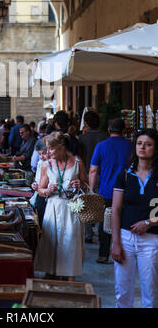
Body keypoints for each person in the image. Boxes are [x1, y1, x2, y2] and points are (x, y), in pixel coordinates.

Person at [112, 129, 158, 308]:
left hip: (152, 239)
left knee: (151, 290)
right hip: (125, 238)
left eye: (148, 144)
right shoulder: (125, 174)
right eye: (139, 143)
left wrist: (149, 222)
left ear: (155, 148)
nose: (143, 148)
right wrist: (115, 243)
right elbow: (115, 209)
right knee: (122, 291)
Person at [34, 132, 87, 280]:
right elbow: (40, 190)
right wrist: (48, 190)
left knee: (70, 242)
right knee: (52, 242)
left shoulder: (77, 162)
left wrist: (80, 184)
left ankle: (70, 278)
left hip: (71, 208)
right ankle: (51, 274)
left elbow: (86, 183)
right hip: (53, 206)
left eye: (51, 149)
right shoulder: (47, 165)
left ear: (61, 147)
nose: (48, 152)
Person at [89, 117, 133, 264]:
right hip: (127, 191)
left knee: (105, 222)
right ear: (124, 130)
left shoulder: (101, 146)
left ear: (108, 130)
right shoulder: (131, 146)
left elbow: (94, 170)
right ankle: (125, 252)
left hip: (106, 190)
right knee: (125, 221)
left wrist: (91, 190)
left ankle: (103, 254)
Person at [78, 110, 107, 243]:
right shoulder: (105, 136)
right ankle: (104, 232)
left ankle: (88, 234)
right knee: (103, 203)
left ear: (87, 123)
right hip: (103, 172)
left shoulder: (82, 138)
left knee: (87, 202)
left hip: (87, 172)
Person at [29, 141, 49, 227]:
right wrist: (34, 184)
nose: (41, 157)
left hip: (47, 196)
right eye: (39, 154)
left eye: (44, 153)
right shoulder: (40, 163)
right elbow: (37, 179)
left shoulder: (52, 164)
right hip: (39, 195)